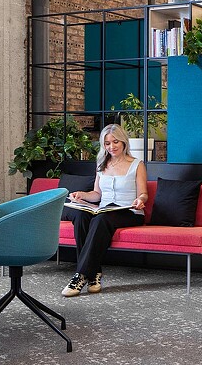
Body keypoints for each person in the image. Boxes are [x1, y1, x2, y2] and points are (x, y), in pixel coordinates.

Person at [61, 124, 148, 297]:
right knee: (81, 216)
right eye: (107, 143)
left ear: (123, 142)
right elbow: (97, 194)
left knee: (101, 219)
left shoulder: (137, 164)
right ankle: (94, 273)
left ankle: (80, 275)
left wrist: (140, 200)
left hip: (129, 212)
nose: (111, 147)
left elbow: (143, 193)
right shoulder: (101, 164)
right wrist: (82, 195)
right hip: (104, 210)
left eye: (115, 142)